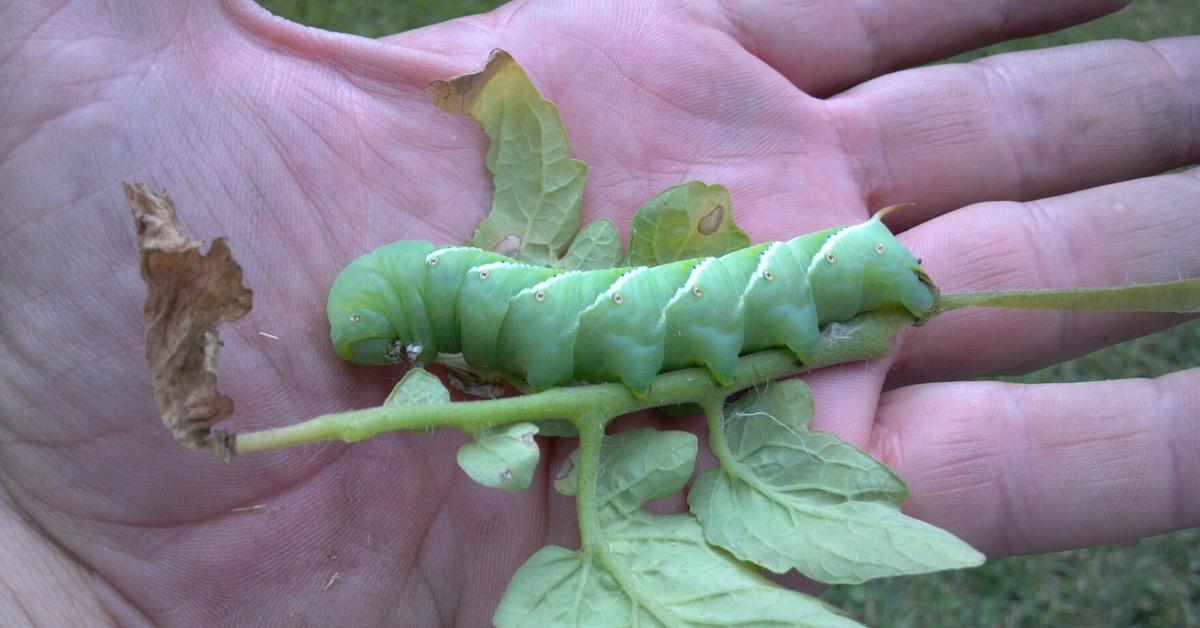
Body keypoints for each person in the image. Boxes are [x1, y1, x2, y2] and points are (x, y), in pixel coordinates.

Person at [1, 0, 1196, 624]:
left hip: (765, 288)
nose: (385, 360)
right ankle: (864, 274)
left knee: (699, 307)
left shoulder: (501, 323)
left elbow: (617, 325)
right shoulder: (485, 312)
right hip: (738, 296)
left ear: (427, 320)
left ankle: (863, 273)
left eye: (391, 342)